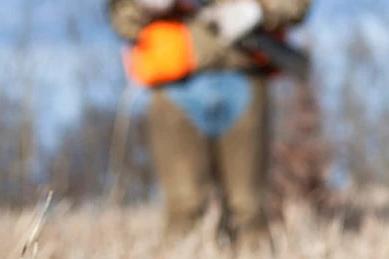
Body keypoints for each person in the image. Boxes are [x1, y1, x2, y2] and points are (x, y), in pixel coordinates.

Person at [107, 0, 309, 246]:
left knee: (249, 207)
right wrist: (142, 5)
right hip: (174, 84)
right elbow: (121, 20)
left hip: (244, 75)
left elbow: (296, 6)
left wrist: (258, 11)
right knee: (184, 206)